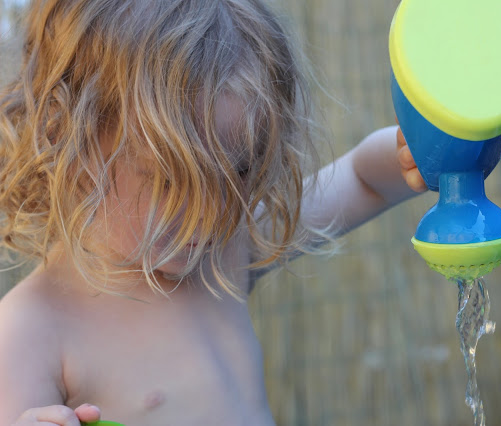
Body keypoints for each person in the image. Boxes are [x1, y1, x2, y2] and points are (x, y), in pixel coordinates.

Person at [0, 0, 426, 424]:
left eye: (239, 169)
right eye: (171, 179)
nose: (211, 214)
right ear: (71, 145)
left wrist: (413, 153)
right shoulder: (30, 330)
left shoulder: (220, 252)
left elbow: (359, 179)